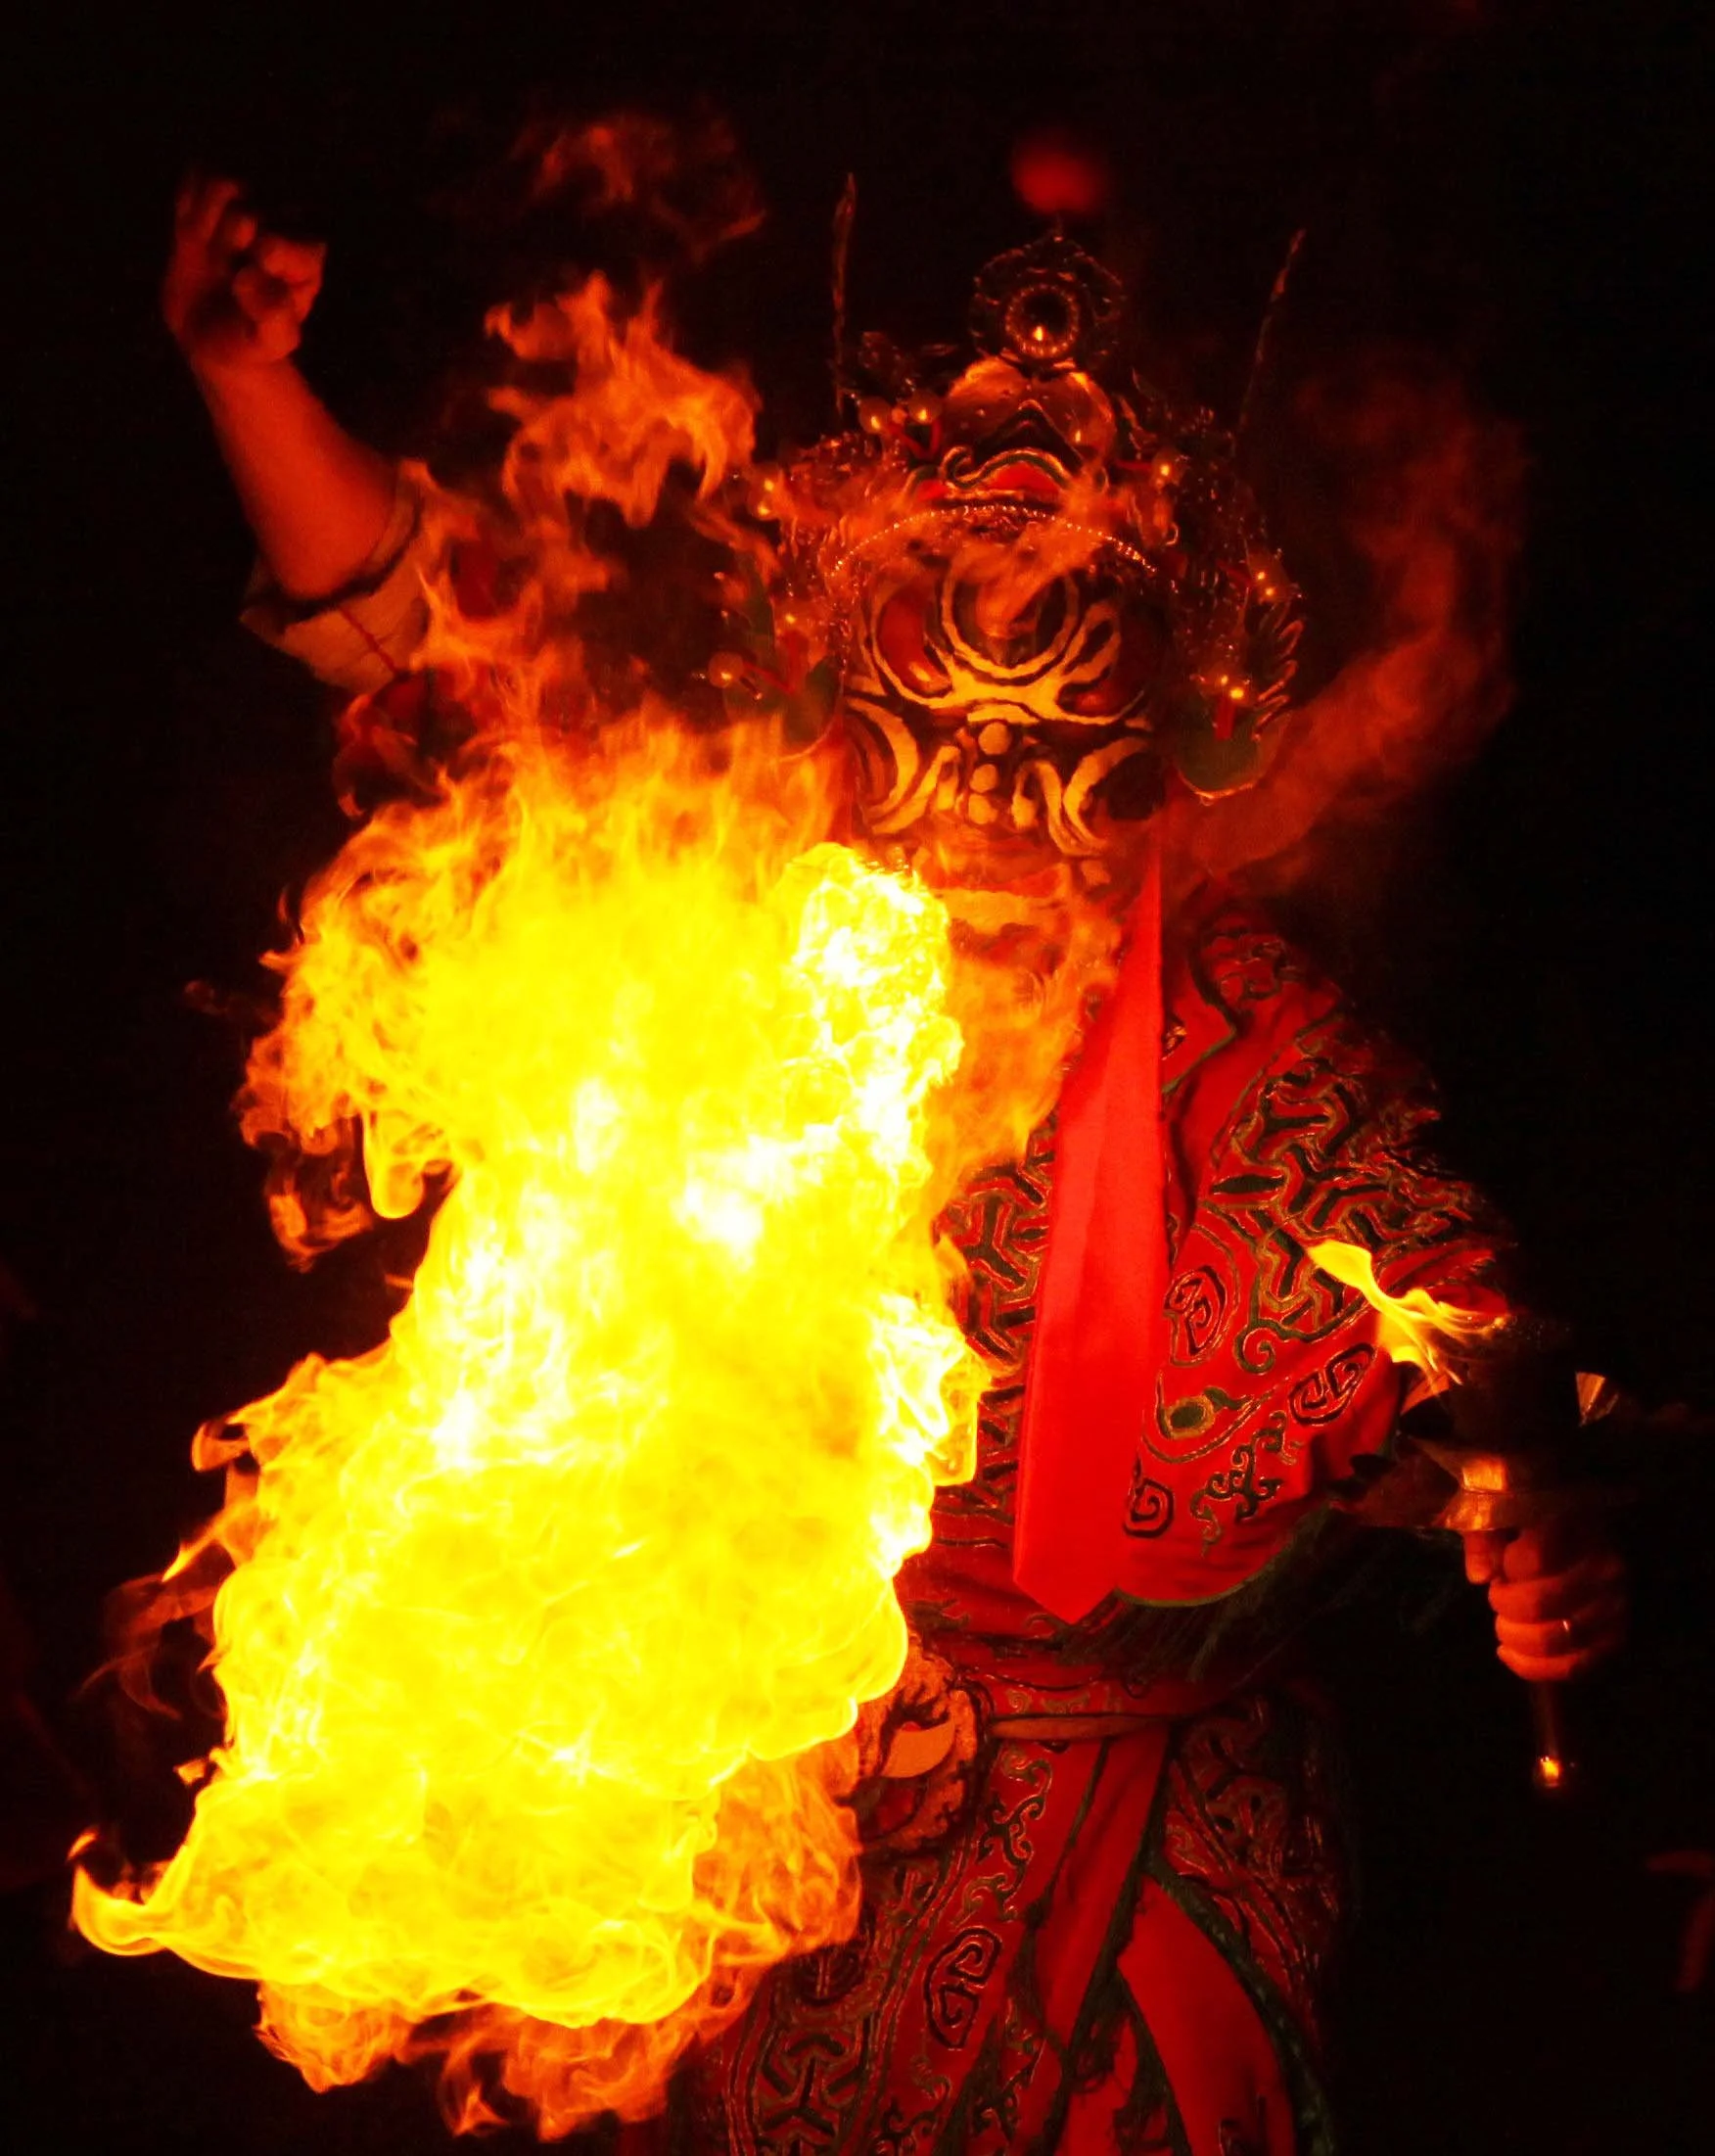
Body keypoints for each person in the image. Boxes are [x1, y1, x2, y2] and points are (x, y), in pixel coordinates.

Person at [159, 173, 1626, 2155]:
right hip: (803, 1816)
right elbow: (446, 654)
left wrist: (1528, 1512)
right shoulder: (712, 957)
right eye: (947, 769)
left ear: (1163, 757)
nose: (995, 849)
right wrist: (248, 381)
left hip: (1161, 1828)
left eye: (1058, 781)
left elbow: (1485, 1348)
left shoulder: (1258, 1049)